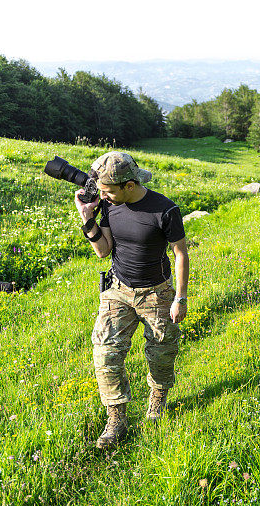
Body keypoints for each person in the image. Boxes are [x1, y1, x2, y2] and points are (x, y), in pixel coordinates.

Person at [74, 151, 189, 449]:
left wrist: (180, 297)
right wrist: (88, 220)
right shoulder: (110, 207)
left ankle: (158, 398)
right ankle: (116, 419)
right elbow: (104, 250)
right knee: (105, 351)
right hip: (118, 289)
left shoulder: (165, 210)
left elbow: (180, 253)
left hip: (157, 291)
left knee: (161, 352)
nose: (103, 197)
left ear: (129, 185)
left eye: (108, 191)